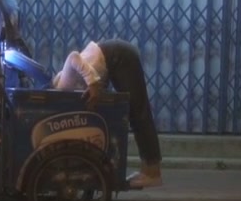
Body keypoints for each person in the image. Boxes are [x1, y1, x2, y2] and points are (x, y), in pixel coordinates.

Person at [51, 39, 163, 189]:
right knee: (135, 113)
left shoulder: (63, 85)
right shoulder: (68, 85)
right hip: (114, 57)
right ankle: (148, 170)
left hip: (119, 56)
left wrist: (92, 83)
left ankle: (153, 173)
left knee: (138, 112)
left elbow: (73, 56)